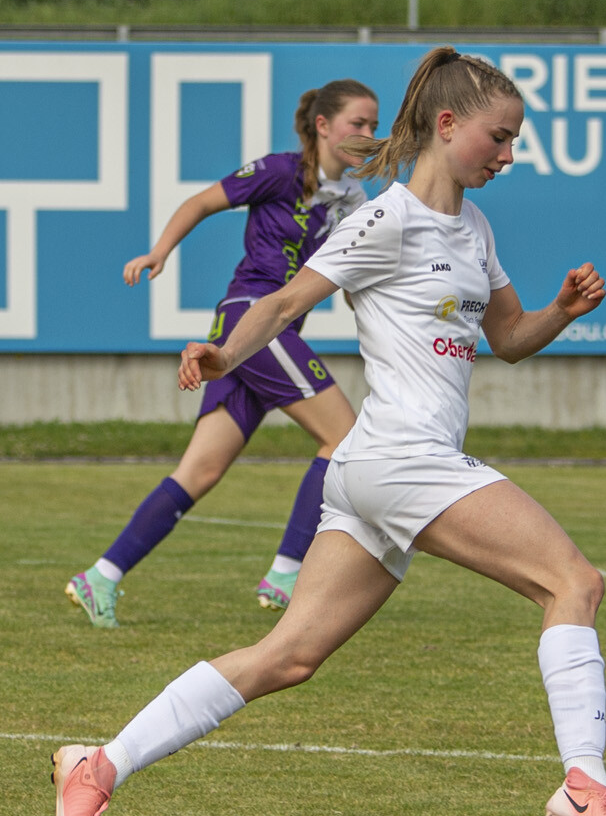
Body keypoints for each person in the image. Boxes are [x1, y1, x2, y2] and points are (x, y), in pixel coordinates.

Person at [51, 47, 606, 816]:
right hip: (402, 460)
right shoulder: (385, 219)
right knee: (573, 582)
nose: (509, 156)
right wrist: (224, 354)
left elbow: (508, 338)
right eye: (499, 137)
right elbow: (288, 300)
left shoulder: (474, 229)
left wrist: (563, 312)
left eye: (514, 140)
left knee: (286, 656)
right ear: (447, 125)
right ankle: (585, 783)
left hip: (373, 470)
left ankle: (98, 765)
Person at [65, 81, 376, 626]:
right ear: (323, 126)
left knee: (200, 471)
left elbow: (353, 281)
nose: (368, 134)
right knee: (343, 438)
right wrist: (160, 252)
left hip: (264, 335)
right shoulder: (280, 171)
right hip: (250, 321)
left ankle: (100, 577)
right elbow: (202, 201)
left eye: (374, 124)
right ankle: (286, 573)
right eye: (358, 123)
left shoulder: (355, 201)